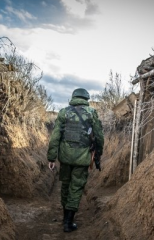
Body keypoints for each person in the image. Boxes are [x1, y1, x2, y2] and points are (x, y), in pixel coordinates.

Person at [47, 88, 104, 233]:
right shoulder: (92, 113)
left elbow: (55, 137)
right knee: (76, 188)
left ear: (73, 97)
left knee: (65, 186)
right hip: (82, 159)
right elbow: (99, 136)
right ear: (86, 98)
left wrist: (51, 157)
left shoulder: (63, 112)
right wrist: (98, 154)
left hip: (65, 158)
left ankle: (65, 217)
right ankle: (68, 222)